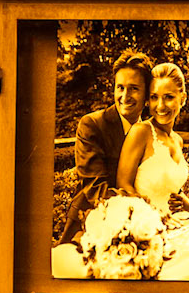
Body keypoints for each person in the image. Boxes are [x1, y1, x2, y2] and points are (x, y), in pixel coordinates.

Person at [116, 63, 189, 280]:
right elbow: (123, 185)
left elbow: (177, 194)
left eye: (168, 97)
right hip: (146, 229)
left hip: (175, 222)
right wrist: (153, 216)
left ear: (182, 98)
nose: (160, 105)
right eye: (154, 97)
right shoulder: (141, 132)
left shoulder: (178, 140)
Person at [57, 49, 152, 245]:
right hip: (92, 223)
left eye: (134, 88)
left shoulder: (152, 133)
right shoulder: (92, 124)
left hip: (145, 228)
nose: (125, 96)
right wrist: (143, 207)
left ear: (147, 94)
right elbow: (96, 189)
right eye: (120, 88)